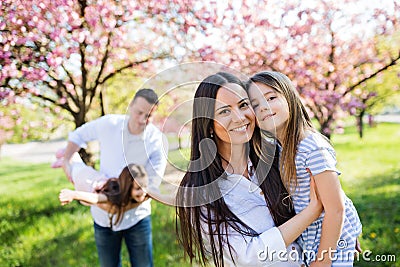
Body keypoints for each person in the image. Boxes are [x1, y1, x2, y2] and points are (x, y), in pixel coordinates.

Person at [175, 72, 323, 267]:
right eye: (224, 111)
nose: (239, 118)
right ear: (208, 125)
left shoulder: (276, 156)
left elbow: (327, 192)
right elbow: (248, 256)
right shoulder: (198, 191)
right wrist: (312, 212)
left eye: (244, 105)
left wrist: (335, 234)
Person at [246, 71, 362, 266]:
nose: (264, 107)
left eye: (271, 98)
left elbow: (335, 208)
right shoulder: (280, 148)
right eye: (255, 104)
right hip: (312, 235)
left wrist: (323, 261)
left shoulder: (312, 147)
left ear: (289, 97)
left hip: (328, 241)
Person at [61, 88, 167, 267]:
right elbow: (78, 135)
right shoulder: (109, 124)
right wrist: (65, 160)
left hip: (137, 217)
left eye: (148, 115)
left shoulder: (157, 141)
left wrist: (115, 206)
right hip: (103, 218)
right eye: (139, 112)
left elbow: (150, 189)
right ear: (130, 106)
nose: (142, 119)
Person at [59, 164, 149, 228]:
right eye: (138, 188)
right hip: (85, 178)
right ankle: (64, 157)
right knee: (75, 166)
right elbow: (95, 198)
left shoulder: (145, 192)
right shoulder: (115, 194)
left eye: (145, 186)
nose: (143, 191)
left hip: (99, 178)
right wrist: (73, 194)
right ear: (127, 187)